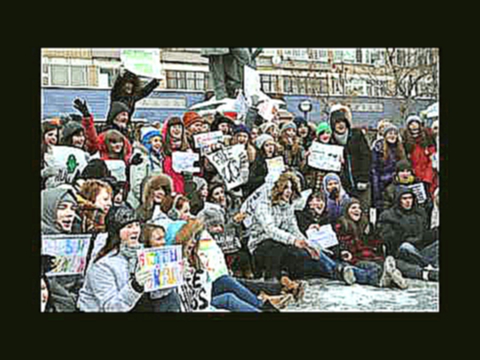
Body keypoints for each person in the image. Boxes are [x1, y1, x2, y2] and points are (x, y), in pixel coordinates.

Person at [247, 171, 388, 288]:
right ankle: (361, 273)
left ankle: (371, 277)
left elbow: (293, 228)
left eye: (291, 188)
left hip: (285, 248)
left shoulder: (288, 206)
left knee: (317, 260)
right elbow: (270, 229)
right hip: (262, 248)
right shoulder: (263, 205)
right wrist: (295, 241)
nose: (288, 191)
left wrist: (309, 245)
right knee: (278, 246)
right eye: (285, 187)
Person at [175, 219, 293, 312]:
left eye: (194, 238)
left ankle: (266, 300)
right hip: (190, 303)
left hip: (200, 297)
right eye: (190, 239)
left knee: (228, 281)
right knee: (229, 294)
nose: (193, 241)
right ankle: (271, 296)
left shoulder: (192, 255)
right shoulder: (175, 262)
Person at [77, 205, 156, 312]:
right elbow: (111, 308)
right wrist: (135, 286)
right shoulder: (102, 264)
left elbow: (154, 293)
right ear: (116, 232)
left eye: (137, 225)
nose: (135, 230)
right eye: (128, 227)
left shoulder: (141, 255)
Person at [334, 198, 408, 289]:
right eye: (353, 208)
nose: (357, 210)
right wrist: (345, 251)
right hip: (356, 258)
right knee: (375, 268)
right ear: (346, 211)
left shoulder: (365, 223)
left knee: (391, 264)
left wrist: (374, 231)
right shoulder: (342, 225)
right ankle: (386, 279)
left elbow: (376, 243)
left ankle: (392, 275)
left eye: (359, 208)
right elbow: (343, 244)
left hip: (371, 255)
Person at [377, 187, 439, 282]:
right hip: (400, 251)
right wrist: (412, 239)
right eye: (404, 199)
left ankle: (427, 264)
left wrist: (433, 233)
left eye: (410, 198)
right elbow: (388, 239)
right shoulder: (388, 215)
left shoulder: (420, 213)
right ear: (398, 200)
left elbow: (424, 235)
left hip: (419, 249)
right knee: (406, 247)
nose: (408, 201)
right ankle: (427, 265)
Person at [41, 185, 83, 312]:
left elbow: (79, 277)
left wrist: (77, 296)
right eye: (62, 208)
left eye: (73, 209)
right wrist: (68, 301)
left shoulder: (75, 239)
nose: (70, 214)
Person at [329, 104, 372, 213]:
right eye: (337, 123)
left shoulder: (356, 135)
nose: (340, 125)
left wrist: (363, 178)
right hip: (344, 184)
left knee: (362, 210)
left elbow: (366, 156)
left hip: (361, 181)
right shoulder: (331, 141)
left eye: (342, 122)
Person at [138, 222, 183, 312]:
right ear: (147, 241)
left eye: (164, 238)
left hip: (171, 300)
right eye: (158, 239)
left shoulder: (169, 256)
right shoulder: (138, 262)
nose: (163, 242)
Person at [371, 124, 407, 214]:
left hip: (397, 183)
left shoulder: (400, 149)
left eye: (395, 133)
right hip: (383, 183)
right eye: (390, 133)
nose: (392, 135)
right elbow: (374, 169)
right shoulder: (378, 149)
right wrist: (376, 190)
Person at [127, 126, 164, 209]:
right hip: (139, 203)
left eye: (160, 141)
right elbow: (136, 184)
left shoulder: (157, 157)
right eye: (155, 141)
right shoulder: (140, 158)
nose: (159, 143)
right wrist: (145, 200)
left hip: (152, 200)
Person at [402, 115, 438, 197]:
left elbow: (432, 160)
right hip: (413, 177)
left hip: (429, 177)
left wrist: (427, 177)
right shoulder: (406, 142)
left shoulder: (428, 140)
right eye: (411, 124)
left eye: (415, 123)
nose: (413, 126)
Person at [161, 117, 191, 194]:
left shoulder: (187, 148)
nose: (177, 129)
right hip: (169, 190)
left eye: (179, 127)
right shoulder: (163, 147)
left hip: (184, 190)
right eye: (174, 127)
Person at [303, 122, 334, 193]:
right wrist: (306, 158)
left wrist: (340, 163)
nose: (325, 135)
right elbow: (304, 170)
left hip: (328, 186)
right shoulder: (312, 147)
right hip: (314, 184)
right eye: (322, 133)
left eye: (327, 133)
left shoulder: (334, 149)